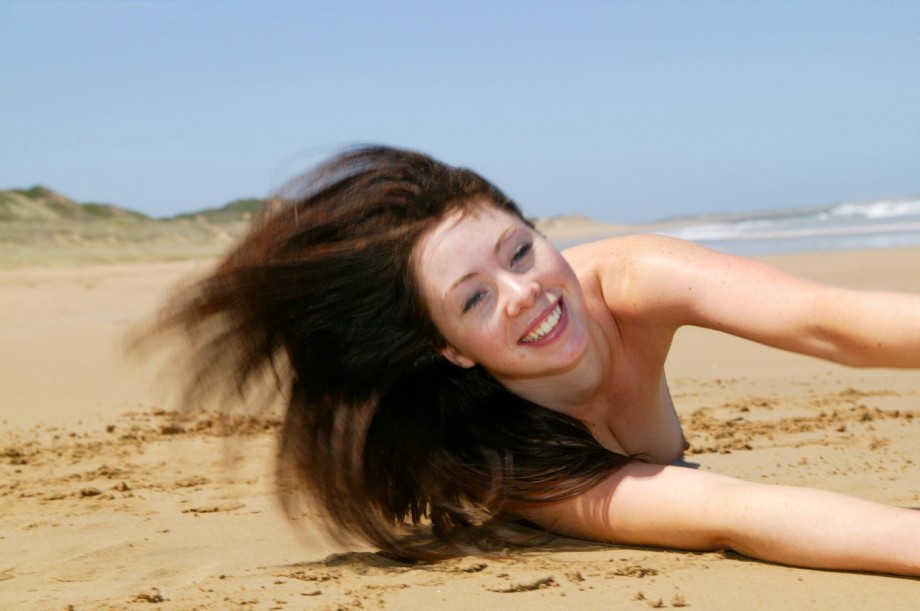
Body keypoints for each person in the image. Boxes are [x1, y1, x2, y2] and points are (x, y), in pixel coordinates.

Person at [144, 145, 920, 576]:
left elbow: (836, 325)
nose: (524, 293)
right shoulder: (508, 462)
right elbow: (736, 513)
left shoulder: (631, 280)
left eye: (520, 249)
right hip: (539, 463)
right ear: (448, 345)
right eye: (473, 299)